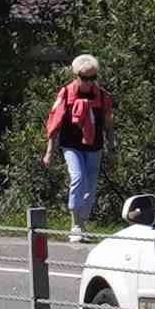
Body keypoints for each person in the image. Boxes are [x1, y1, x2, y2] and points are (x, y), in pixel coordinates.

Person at [44, 54, 111, 227]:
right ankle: (75, 225)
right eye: (84, 78)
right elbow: (54, 122)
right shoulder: (66, 93)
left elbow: (108, 123)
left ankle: (82, 222)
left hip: (94, 145)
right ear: (76, 76)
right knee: (78, 178)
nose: (89, 82)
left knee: (90, 187)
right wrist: (49, 152)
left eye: (92, 78)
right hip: (71, 144)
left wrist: (112, 144)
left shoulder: (102, 96)